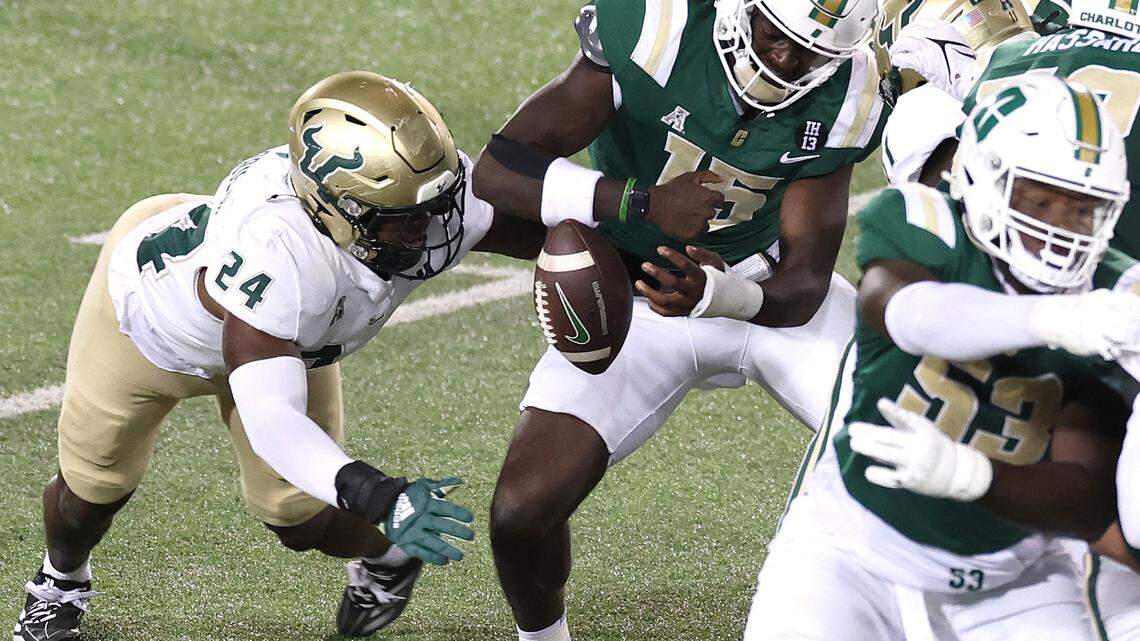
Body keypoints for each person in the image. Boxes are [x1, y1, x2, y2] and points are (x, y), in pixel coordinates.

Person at [13, 70, 543, 641]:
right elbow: (271, 416)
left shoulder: (408, 197)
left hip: (291, 340)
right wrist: (375, 491)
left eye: (433, 204)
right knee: (90, 491)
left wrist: (636, 254)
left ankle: (388, 556)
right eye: (402, 219)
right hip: (146, 325)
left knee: (296, 512)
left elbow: (528, 227)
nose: (430, 228)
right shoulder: (278, 253)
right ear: (335, 209)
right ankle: (60, 582)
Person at [471, 0, 887, 638]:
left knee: (900, 446)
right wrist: (638, 203)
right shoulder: (660, 26)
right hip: (633, 297)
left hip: (758, 291)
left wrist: (718, 296)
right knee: (522, 511)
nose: (783, 58)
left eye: (810, 52)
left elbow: (803, 282)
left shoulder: (852, 89)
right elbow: (499, 171)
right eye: (773, 34)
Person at [745, 74, 1138, 640]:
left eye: (1084, 210)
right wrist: (1053, 320)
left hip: (1015, 580)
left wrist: (973, 475)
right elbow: (903, 312)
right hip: (850, 550)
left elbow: (1082, 494)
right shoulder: (927, 219)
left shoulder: (1115, 297)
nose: (1058, 230)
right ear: (979, 175)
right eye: (1039, 200)